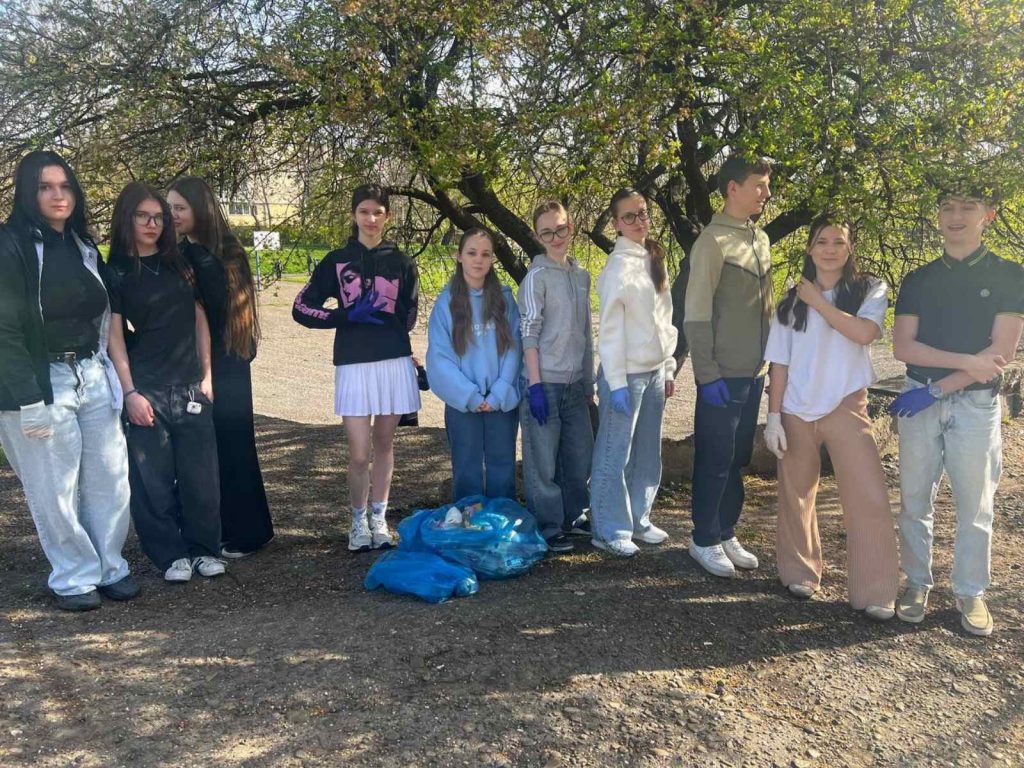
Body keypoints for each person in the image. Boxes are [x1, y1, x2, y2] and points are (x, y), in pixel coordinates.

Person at [0, 151, 137, 611]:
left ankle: (109, 565)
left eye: (65, 186)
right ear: (28, 192)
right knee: (54, 488)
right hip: (42, 381)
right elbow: (4, 329)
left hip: (90, 374)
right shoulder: (10, 244)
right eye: (45, 187)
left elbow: (106, 312)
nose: (58, 196)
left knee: (109, 479)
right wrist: (27, 398)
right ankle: (74, 576)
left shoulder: (82, 246)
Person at [889, 187, 1024, 636]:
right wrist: (966, 362)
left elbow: (1001, 352)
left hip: (975, 405)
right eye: (947, 206)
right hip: (919, 400)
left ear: (989, 215)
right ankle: (916, 584)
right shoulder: (919, 279)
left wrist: (940, 387)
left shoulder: (1010, 274)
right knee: (914, 501)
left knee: (975, 504)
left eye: (968, 207)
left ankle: (971, 591)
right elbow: (903, 346)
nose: (956, 215)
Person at [763, 215, 899, 620]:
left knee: (867, 495)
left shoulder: (869, 289)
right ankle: (799, 572)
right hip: (795, 409)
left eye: (838, 242)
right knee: (796, 492)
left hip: (846, 404)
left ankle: (875, 590)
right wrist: (773, 417)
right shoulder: (790, 301)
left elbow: (864, 334)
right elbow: (780, 364)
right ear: (810, 248)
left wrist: (819, 303)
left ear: (850, 247)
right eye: (822, 241)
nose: (830, 249)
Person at [106, 182, 225, 583]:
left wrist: (207, 376)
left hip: (191, 386)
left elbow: (199, 320)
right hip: (148, 388)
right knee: (151, 480)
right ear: (126, 218)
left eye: (158, 217)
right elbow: (114, 337)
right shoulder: (116, 272)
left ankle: (204, 550)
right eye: (142, 216)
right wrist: (129, 392)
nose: (152, 224)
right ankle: (170, 554)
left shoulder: (180, 263)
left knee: (201, 478)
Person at [292, 184, 420, 552]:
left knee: (385, 444)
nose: (371, 218)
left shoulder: (403, 261)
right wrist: (345, 316)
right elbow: (301, 308)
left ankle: (379, 519)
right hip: (353, 364)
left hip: (393, 361)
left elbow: (409, 315)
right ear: (353, 215)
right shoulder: (336, 260)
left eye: (378, 212)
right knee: (359, 453)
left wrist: (400, 346)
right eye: (364, 211)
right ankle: (357, 520)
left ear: (388, 216)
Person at [168, 177, 274, 559]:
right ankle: (219, 527)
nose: (172, 215)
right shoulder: (184, 253)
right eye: (169, 208)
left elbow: (223, 308)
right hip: (200, 359)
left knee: (234, 446)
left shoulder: (222, 253)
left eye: (180, 207)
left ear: (200, 208)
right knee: (205, 449)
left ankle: (247, 531)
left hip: (227, 359)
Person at [683, 154, 772, 578]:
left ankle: (725, 530)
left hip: (753, 374)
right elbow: (696, 315)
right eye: (758, 185)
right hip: (722, 375)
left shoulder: (760, 238)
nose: (766, 193)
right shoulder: (712, 241)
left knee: (737, 458)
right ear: (733, 188)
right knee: (715, 458)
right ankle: (703, 538)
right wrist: (707, 374)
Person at [589, 188, 677, 557]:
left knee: (646, 452)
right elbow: (609, 332)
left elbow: (665, 318)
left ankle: (638, 517)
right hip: (624, 376)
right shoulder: (617, 269)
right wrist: (616, 383)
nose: (639, 221)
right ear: (616, 224)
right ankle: (608, 528)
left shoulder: (653, 258)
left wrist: (668, 366)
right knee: (614, 452)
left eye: (642, 213)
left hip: (654, 372)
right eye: (629, 216)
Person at [517, 201, 595, 554]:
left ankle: (574, 515)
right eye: (546, 232)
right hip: (544, 382)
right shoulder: (536, 278)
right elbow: (529, 333)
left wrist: (588, 383)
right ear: (538, 236)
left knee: (579, 455)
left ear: (571, 226)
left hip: (574, 383)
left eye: (560, 229)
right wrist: (535, 385)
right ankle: (549, 525)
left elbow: (585, 332)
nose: (555, 237)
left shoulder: (581, 276)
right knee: (543, 460)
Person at [427, 228, 521, 501]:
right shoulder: (446, 303)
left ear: (492, 259)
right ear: (459, 256)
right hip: (464, 403)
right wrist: (470, 396)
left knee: (502, 467)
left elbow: (515, 347)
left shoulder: (504, 299)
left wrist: (499, 392)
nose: (478, 260)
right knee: (467, 468)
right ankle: (468, 522)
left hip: (500, 401)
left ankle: (500, 520)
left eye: (485, 254)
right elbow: (440, 358)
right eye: (471, 253)